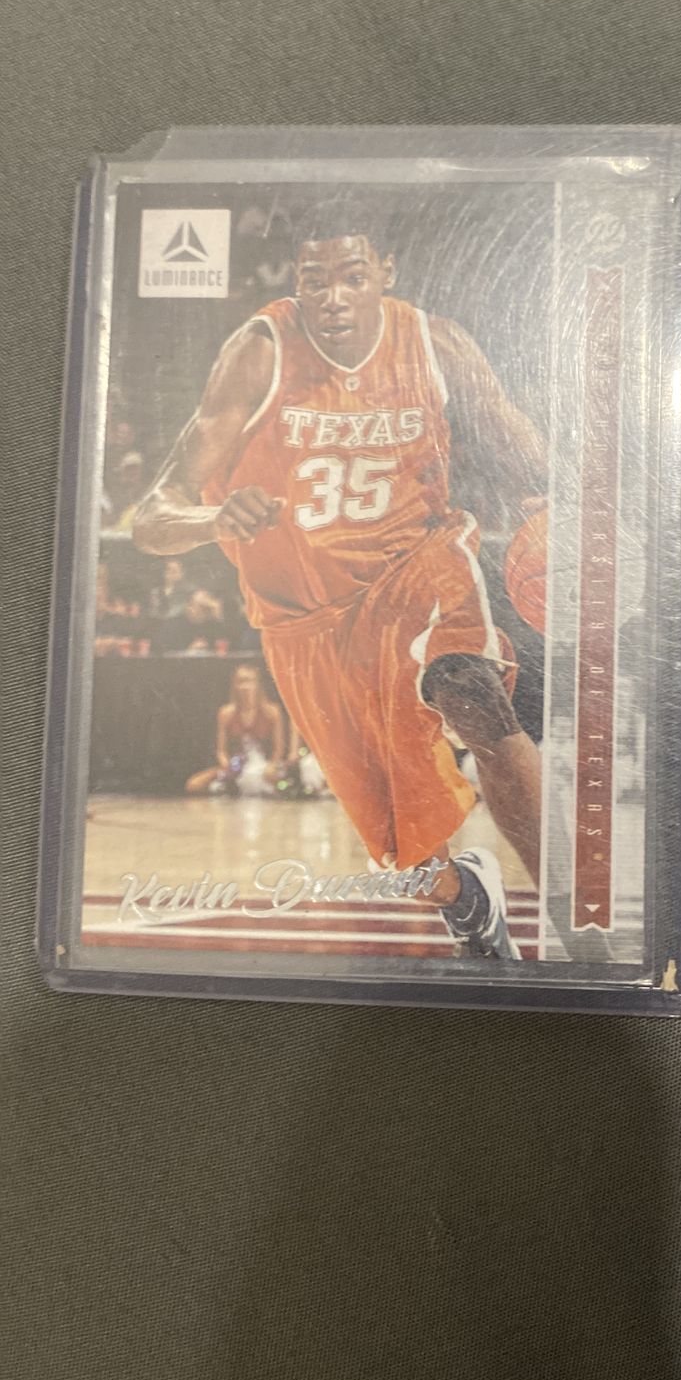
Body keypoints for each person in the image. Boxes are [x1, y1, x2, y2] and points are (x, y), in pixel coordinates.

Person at [134, 227, 546, 959]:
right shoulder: (259, 352)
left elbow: (526, 456)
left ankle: (571, 915)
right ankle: (467, 897)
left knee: (475, 696)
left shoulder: (435, 345)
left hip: (415, 567)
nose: (333, 297)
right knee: (411, 868)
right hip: (306, 621)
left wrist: (562, 514)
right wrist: (212, 518)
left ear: (385, 270)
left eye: (352, 277)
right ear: (296, 283)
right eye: (314, 280)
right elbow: (150, 518)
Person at [185, 663, 285, 796]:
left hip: (265, 767)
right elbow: (221, 750)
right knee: (193, 785)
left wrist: (271, 766)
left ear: (257, 684)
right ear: (235, 685)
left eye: (249, 681)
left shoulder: (272, 711)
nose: (245, 686)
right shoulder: (225, 713)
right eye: (240, 682)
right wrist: (228, 766)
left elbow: (279, 749)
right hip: (236, 767)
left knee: (273, 780)